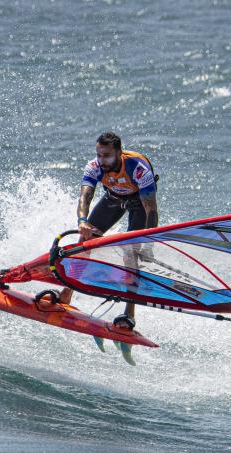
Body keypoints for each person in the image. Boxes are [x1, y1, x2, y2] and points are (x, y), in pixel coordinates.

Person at [76, 131, 159, 331]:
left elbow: (151, 210)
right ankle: (66, 292)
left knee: (130, 253)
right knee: (84, 241)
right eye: (99, 155)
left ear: (119, 153)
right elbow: (85, 196)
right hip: (113, 199)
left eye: (107, 156)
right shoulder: (95, 167)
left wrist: (148, 243)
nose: (102, 160)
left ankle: (129, 313)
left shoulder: (138, 168)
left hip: (139, 204)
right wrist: (82, 221)